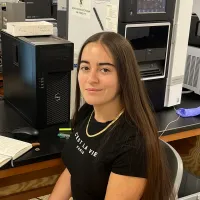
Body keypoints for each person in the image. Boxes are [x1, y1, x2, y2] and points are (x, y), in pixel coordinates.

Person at [49, 32, 175, 200]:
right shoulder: (88, 111)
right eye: (85, 67)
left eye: (104, 69)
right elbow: (73, 170)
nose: (91, 79)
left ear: (124, 77)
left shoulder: (133, 145)